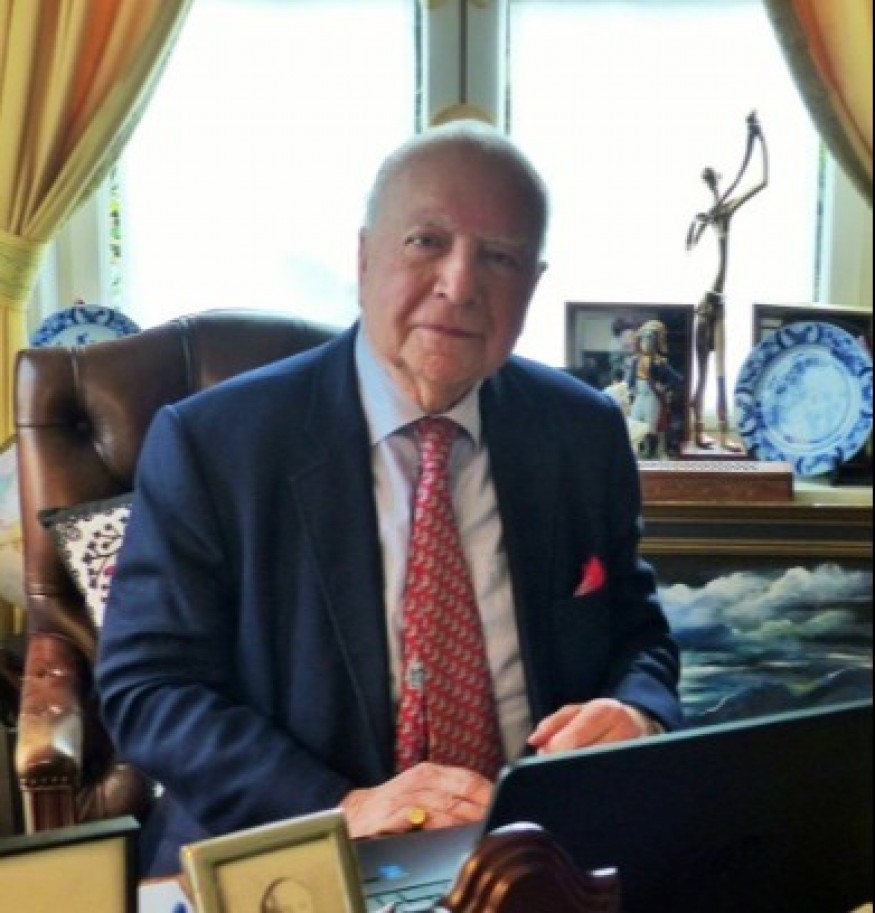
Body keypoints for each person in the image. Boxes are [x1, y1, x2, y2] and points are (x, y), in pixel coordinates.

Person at [96, 121, 683, 878]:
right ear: (365, 255)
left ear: (533, 285)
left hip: (530, 852)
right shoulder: (214, 443)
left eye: (499, 257)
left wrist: (635, 711)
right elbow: (149, 687)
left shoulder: (581, 430)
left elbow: (638, 633)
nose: (460, 284)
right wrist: (339, 808)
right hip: (296, 847)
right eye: (426, 241)